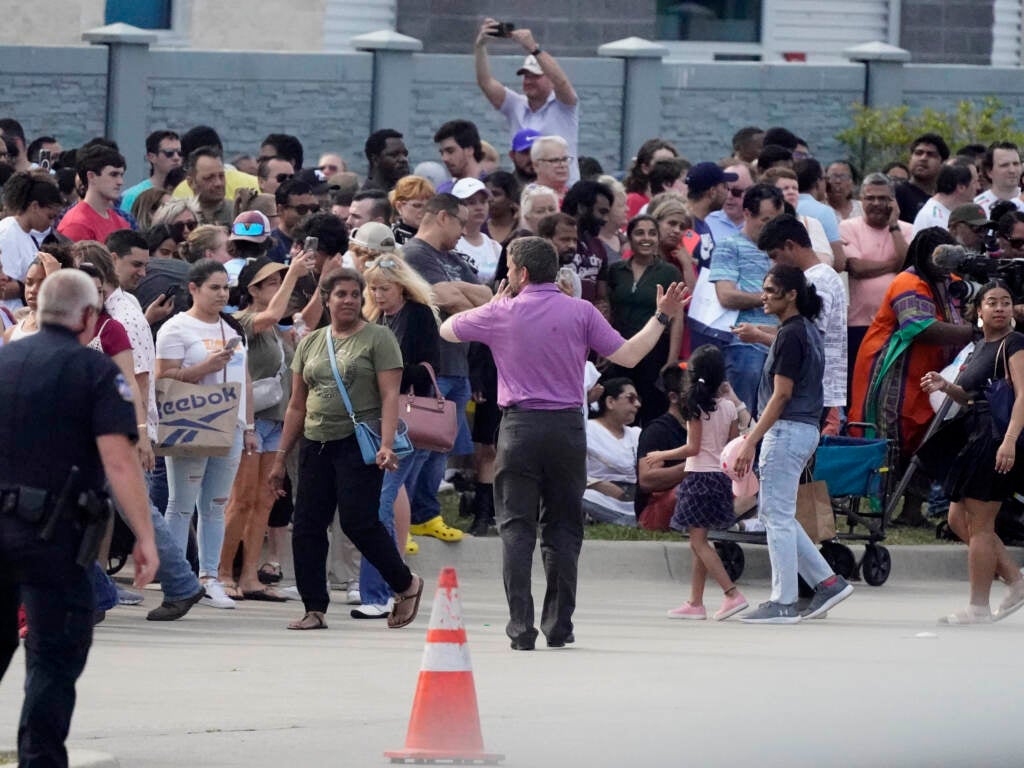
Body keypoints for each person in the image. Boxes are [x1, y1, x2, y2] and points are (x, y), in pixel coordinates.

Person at [440, 236, 690, 649]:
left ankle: (521, 627)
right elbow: (628, 356)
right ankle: (559, 624)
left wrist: (494, 304)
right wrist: (661, 318)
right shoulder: (581, 310)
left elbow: (448, 329)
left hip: (519, 426)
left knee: (516, 527)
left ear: (519, 273)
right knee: (563, 528)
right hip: (567, 428)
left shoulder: (503, 311)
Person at [0, 269, 158, 766]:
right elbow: (118, 460)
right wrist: (146, 537)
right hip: (53, 536)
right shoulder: (94, 372)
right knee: (54, 652)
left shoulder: (4, 361)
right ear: (88, 317)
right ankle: (39, 759)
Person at [268, 268, 424, 631]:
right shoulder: (310, 342)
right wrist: (279, 459)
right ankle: (314, 608)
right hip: (315, 443)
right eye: (341, 294)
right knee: (306, 526)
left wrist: (386, 444)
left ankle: (405, 583)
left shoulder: (378, 338)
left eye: (356, 294)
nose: (349, 300)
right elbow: (295, 404)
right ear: (327, 299)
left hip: (359, 443)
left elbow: (390, 395)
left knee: (358, 522)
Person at [731, 265, 853, 624]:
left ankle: (783, 600)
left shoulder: (791, 334)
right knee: (775, 514)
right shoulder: (805, 330)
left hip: (786, 430)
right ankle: (828, 582)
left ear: (791, 295)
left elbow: (781, 394)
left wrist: (749, 441)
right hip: (802, 429)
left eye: (771, 290)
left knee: (778, 518)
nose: (763, 295)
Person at [848, 228, 973, 524]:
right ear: (924, 256)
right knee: (893, 435)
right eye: (939, 257)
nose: (945, 264)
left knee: (928, 436)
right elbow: (919, 327)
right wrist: (977, 331)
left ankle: (913, 509)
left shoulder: (951, 282)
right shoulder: (908, 281)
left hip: (933, 375)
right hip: (894, 373)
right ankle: (883, 506)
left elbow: (968, 307)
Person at [918, 281, 1024, 624]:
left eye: (1006, 302)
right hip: (976, 434)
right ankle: (1015, 580)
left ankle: (978, 607)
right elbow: (969, 396)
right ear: (978, 311)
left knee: (980, 523)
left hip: (996, 438)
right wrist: (945, 385)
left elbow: (1023, 395)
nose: (999, 308)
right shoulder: (981, 346)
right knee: (955, 518)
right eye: (992, 302)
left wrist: (1009, 440)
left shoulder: (1014, 343)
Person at [155, 259, 257, 609]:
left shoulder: (232, 328)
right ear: (193, 289)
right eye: (214, 287)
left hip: (231, 423)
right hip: (193, 420)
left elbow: (244, 379)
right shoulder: (175, 328)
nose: (221, 294)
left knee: (215, 504)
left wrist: (250, 425)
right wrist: (203, 369)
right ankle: (175, 577)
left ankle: (210, 577)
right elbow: (163, 379)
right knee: (181, 504)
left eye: (225, 287)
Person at [217, 256, 310, 602]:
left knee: (264, 500)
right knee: (240, 500)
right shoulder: (245, 320)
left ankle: (250, 575)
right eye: (271, 283)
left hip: (275, 423)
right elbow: (270, 313)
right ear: (252, 289)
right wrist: (294, 274)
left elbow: (297, 318)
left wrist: (322, 274)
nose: (279, 288)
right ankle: (222, 572)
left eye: (280, 283)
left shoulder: (275, 329)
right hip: (249, 423)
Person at [403, 194, 492, 544]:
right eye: (461, 223)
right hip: (431, 366)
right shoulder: (413, 254)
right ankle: (403, 516)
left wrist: (462, 293)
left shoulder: (453, 258)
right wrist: (464, 295)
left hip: (459, 367)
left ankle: (426, 514)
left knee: (439, 448)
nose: (465, 231)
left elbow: (487, 296)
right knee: (417, 446)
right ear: (443, 217)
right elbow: (446, 297)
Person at [355, 256, 441, 617]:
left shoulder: (418, 315)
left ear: (402, 286)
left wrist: (384, 371)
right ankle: (388, 588)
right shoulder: (377, 317)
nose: (377, 294)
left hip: (408, 423)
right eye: (372, 288)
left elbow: (425, 370)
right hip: (383, 421)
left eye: (384, 288)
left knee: (379, 505)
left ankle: (379, 594)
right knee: (378, 504)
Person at [643, 345, 748, 620]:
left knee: (698, 543)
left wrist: (661, 454)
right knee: (699, 540)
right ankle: (695, 601)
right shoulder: (727, 408)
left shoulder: (694, 407)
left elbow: (692, 448)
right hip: (720, 478)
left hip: (699, 477)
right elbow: (731, 443)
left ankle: (731, 593)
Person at [474, 18, 579, 185]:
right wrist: (481, 47)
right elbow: (485, 82)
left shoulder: (564, 106)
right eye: (526, 76)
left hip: (565, 191)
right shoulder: (515, 104)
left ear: (549, 79)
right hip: (525, 191)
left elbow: (562, 83)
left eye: (535, 76)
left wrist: (534, 49)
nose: (528, 81)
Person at [839, 172, 914, 391]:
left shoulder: (907, 229)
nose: (876, 203)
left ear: (893, 201)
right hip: (858, 324)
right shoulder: (847, 227)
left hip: (897, 324)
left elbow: (908, 266)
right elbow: (856, 268)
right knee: (859, 385)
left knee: (891, 387)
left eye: (883, 198)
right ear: (860, 200)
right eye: (870, 198)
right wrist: (894, 265)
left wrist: (894, 227)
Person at [606, 216, 683, 426]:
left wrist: (672, 359)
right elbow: (606, 310)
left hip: (655, 353)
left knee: (651, 413)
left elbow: (677, 318)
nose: (646, 238)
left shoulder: (669, 272)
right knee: (618, 411)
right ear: (629, 237)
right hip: (619, 350)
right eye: (639, 233)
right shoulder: (615, 271)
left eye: (652, 233)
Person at [582, 378, 642, 527]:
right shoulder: (587, 429)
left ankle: (622, 519)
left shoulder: (637, 434)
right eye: (631, 398)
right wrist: (598, 485)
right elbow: (571, 469)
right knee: (579, 496)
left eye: (638, 399)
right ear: (610, 402)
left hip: (635, 496)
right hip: (599, 494)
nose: (637, 404)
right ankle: (624, 520)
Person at [0, 171, 63, 311]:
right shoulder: (7, 233)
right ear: (34, 206)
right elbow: (4, 289)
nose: (51, 223)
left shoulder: (27, 236)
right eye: (50, 216)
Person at [57, 144, 130, 243]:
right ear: (91, 176)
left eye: (121, 175)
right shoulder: (76, 224)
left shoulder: (122, 222)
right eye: (113, 175)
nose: (120, 182)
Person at [453, 178, 502, 284]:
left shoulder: (495, 248)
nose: (479, 207)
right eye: (471, 202)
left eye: (483, 202)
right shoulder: (449, 245)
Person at [121, 130, 182, 214]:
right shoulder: (133, 195)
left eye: (180, 153)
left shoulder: (187, 191)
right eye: (169, 153)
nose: (176, 157)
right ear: (151, 157)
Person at [895, 133, 950, 224]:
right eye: (918, 153)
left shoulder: (946, 198)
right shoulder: (898, 193)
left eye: (931, 155)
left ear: (943, 163)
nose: (923, 158)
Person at [912, 162, 978, 235]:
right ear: (961, 187)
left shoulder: (947, 212)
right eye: (974, 183)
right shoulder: (934, 219)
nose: (978, 188)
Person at [623, 139, 680, 219]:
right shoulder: (634, 200)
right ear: (645, 168)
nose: (668, 168)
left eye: (672, 163)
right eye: (661, 163)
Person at [434, 120, 485, 193]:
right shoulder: (442, 192)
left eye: (450, 151)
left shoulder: (491, 189)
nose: (444, 158)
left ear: (469, 150)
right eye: (442, 153)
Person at [974, 141, 1024, 216]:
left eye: (1016, 164)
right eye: (1004, 165)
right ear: (989, 172)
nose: (1012, 170)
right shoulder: (977, 206)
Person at [389, 175, 436, 245]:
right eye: (417, 206)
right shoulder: (390, 238)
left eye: (428, 206)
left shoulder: (438, 236)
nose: (424, 211)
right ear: (399, 206)